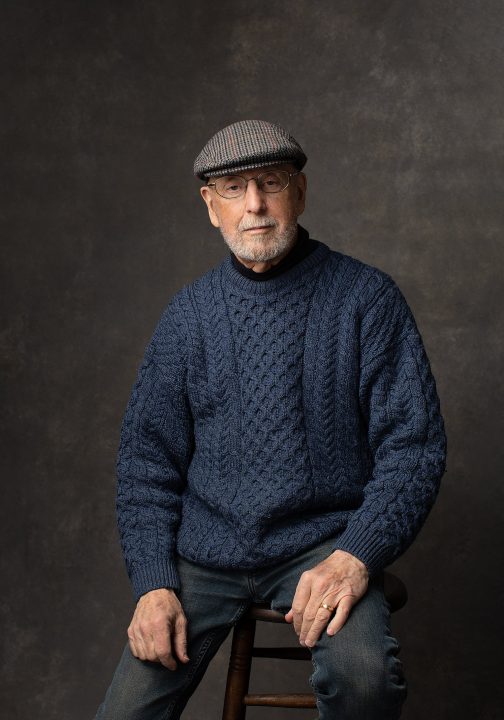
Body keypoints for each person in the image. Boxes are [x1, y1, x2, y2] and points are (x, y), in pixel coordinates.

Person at [95, 119, 447, 720]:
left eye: (270, 182)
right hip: (204, 555)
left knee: (364, 681)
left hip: (323, 548)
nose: (254, 204)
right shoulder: (187, 318)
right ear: (211, 206)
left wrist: (354, 555)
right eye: (233, 188)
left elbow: (414, 451)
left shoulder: (366, 300)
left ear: (300, 193)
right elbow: (145, 465)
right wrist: (154, 583)